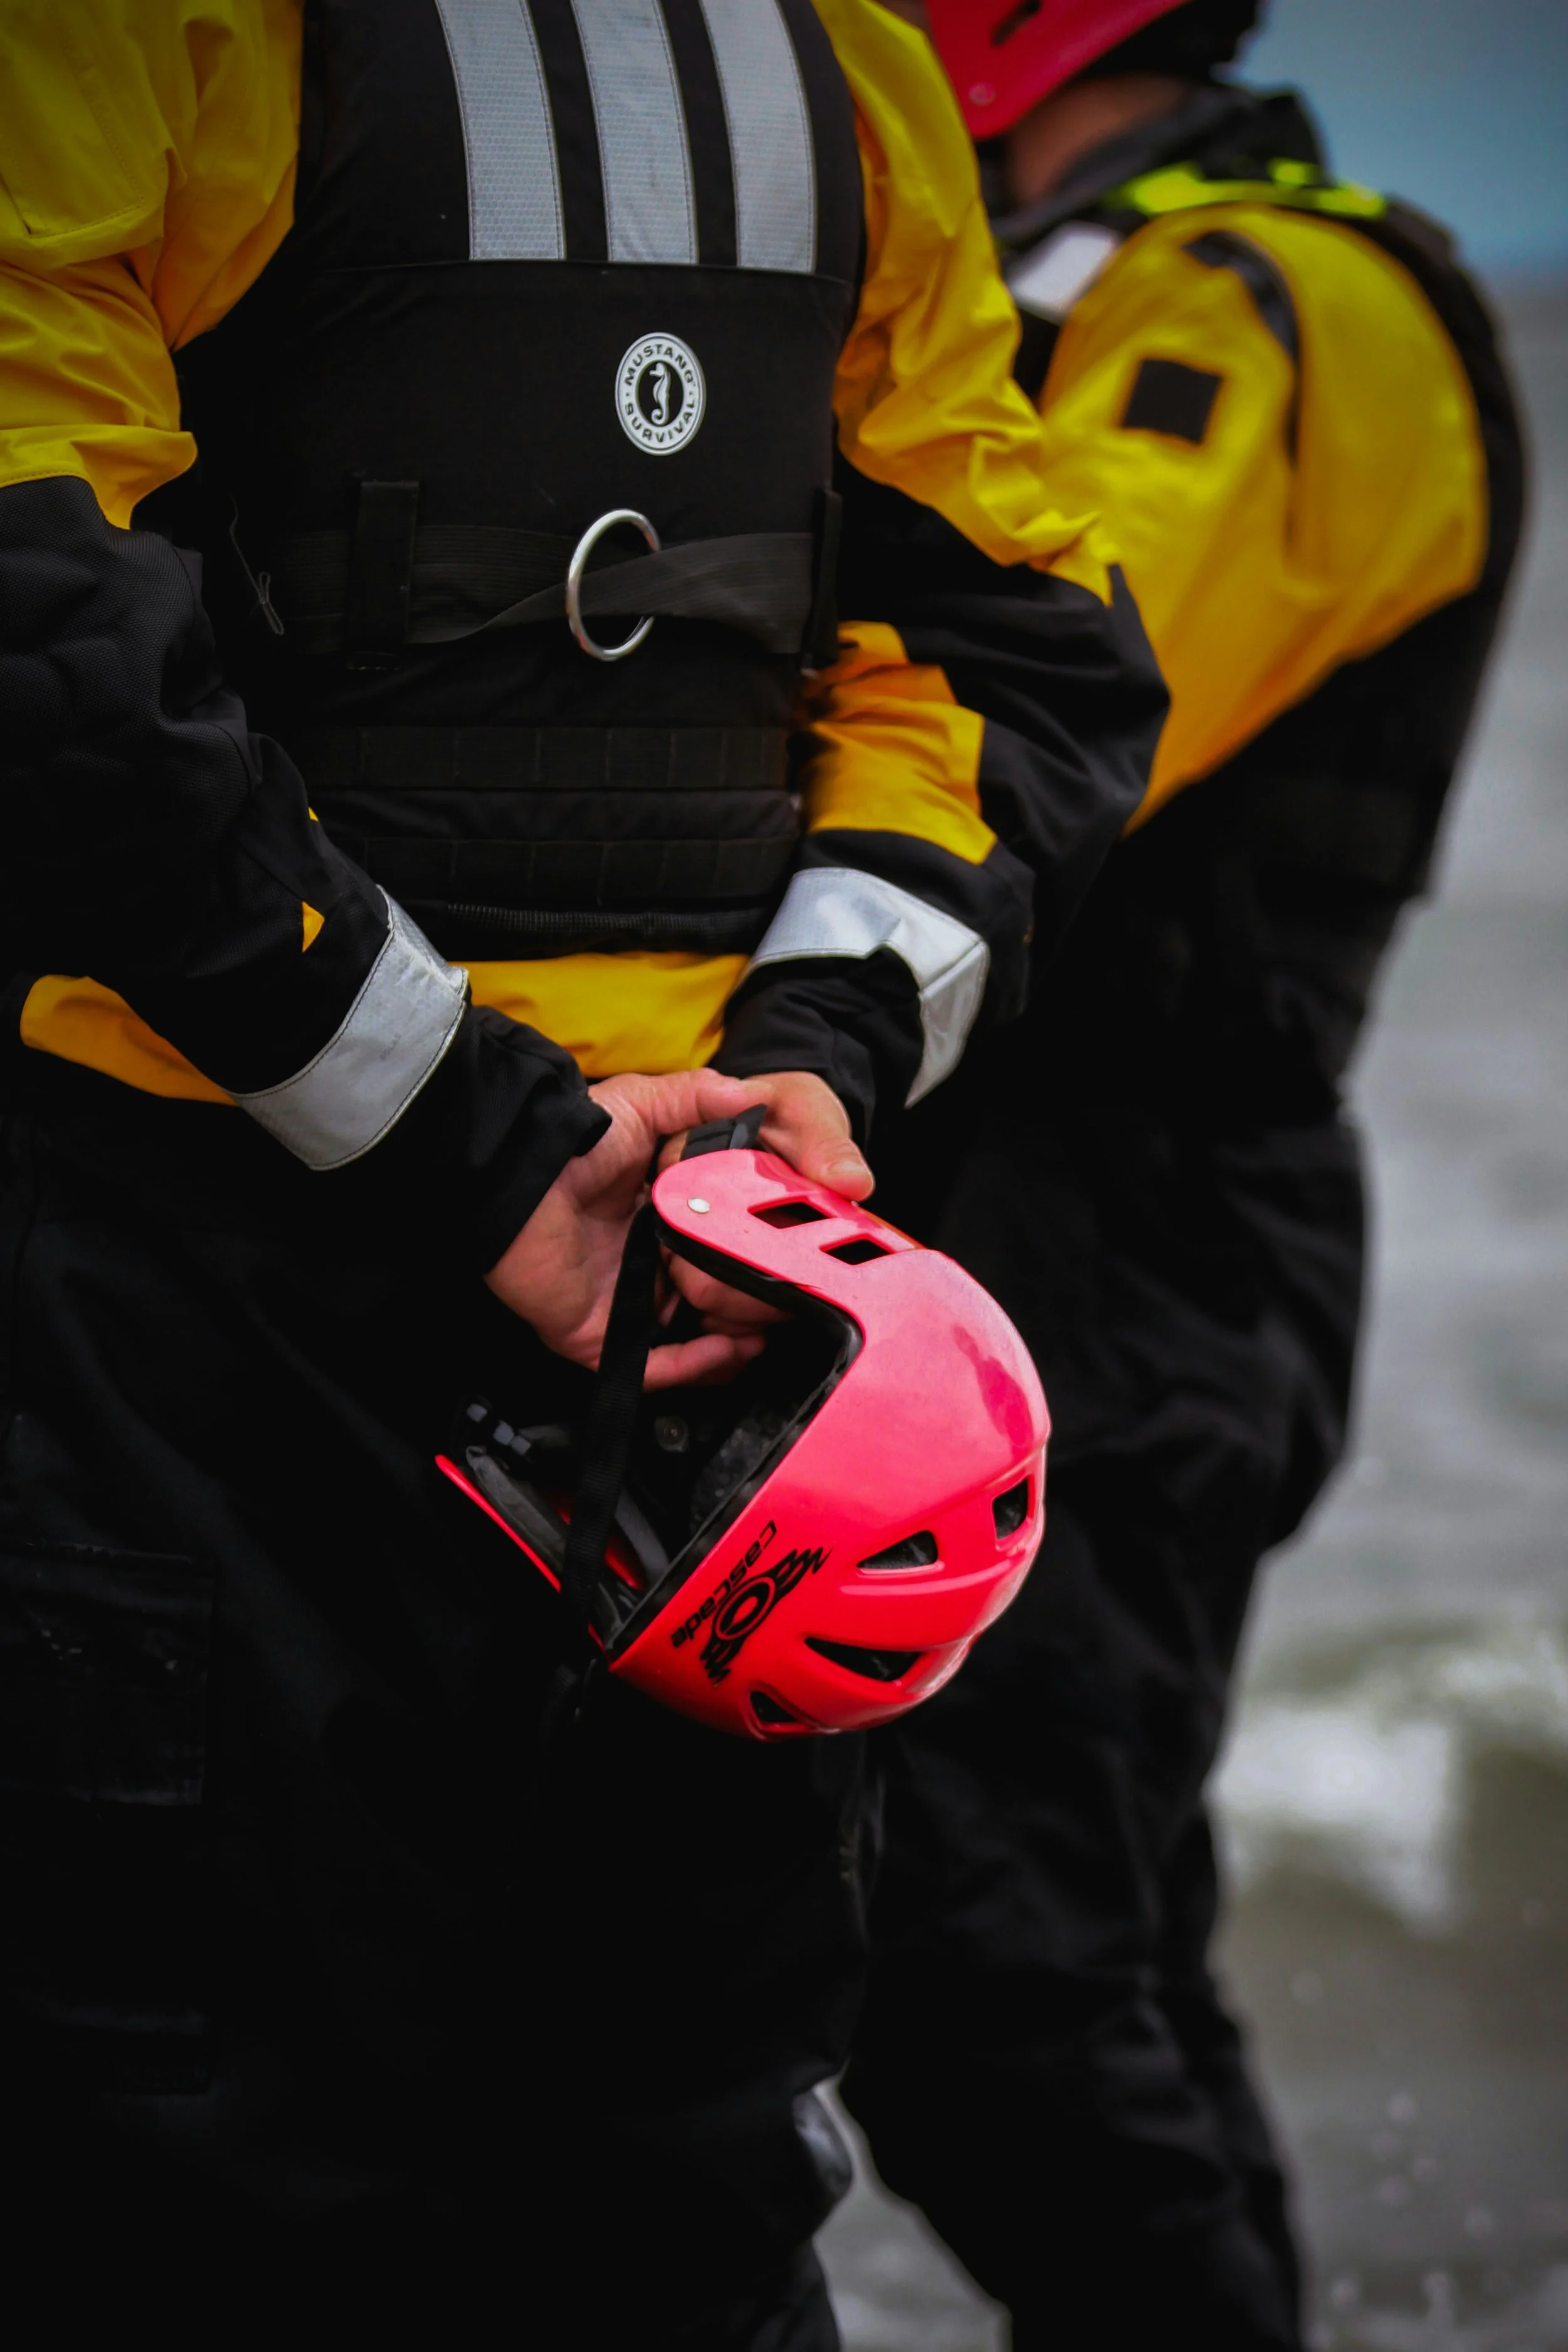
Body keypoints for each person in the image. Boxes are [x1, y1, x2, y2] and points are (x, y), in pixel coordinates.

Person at [0, 1, 1165, 2341]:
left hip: (249, 1318)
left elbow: (44, 618)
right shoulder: (841, 55)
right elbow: (1029, 649)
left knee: (176, 2193)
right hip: (702, 1314)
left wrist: (575, 1117)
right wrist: (804, 1066)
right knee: (671, 2204)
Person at [844, 4, 1525, 2346]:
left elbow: (1052, 704)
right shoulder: (1037, 273)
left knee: (981, 1956)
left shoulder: (1276, 292)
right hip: (1004, 1214)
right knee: (1059, 1940)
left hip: (1129, 1238)